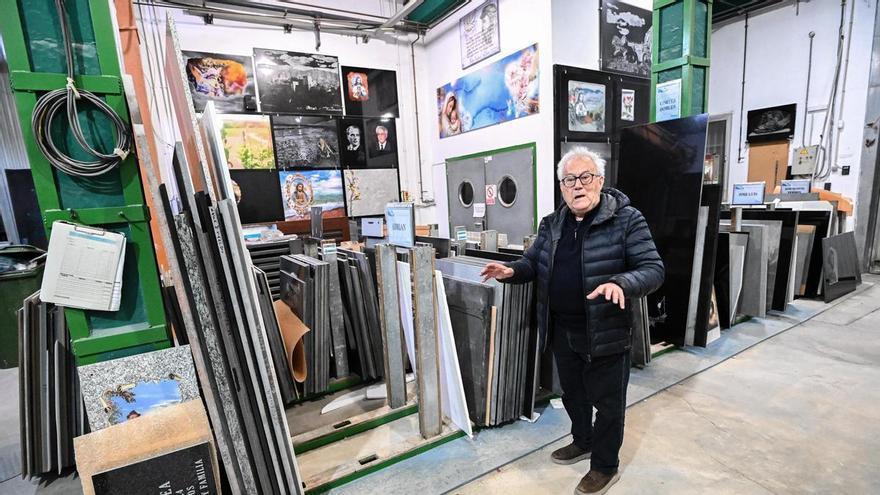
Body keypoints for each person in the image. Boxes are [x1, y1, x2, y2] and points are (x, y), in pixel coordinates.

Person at [480, 146, 664, 495]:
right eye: (569, 180)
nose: (577, 186)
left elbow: (653, 270)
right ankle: (583, 440)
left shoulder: (628, 220)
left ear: (600, 180)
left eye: (585, 177)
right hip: (562, 329)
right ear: (561, 186)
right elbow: (533, 263)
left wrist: (621, 282)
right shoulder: (552, 224)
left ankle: (605, 466)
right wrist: (510, 271)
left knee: (609, 405)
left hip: (606, 331)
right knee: (573, 395)